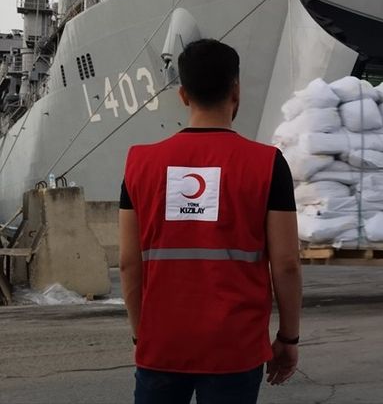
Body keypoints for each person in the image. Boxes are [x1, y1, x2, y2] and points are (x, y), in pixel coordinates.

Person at [119, 39, 301, 404]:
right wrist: (288, 337)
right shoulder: (267, 164)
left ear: (183, 95)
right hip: (235, 346)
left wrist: (142, 333)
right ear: (236, 90)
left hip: (162, 342)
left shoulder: (140, 164)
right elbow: (286, 264)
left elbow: (127, 263)